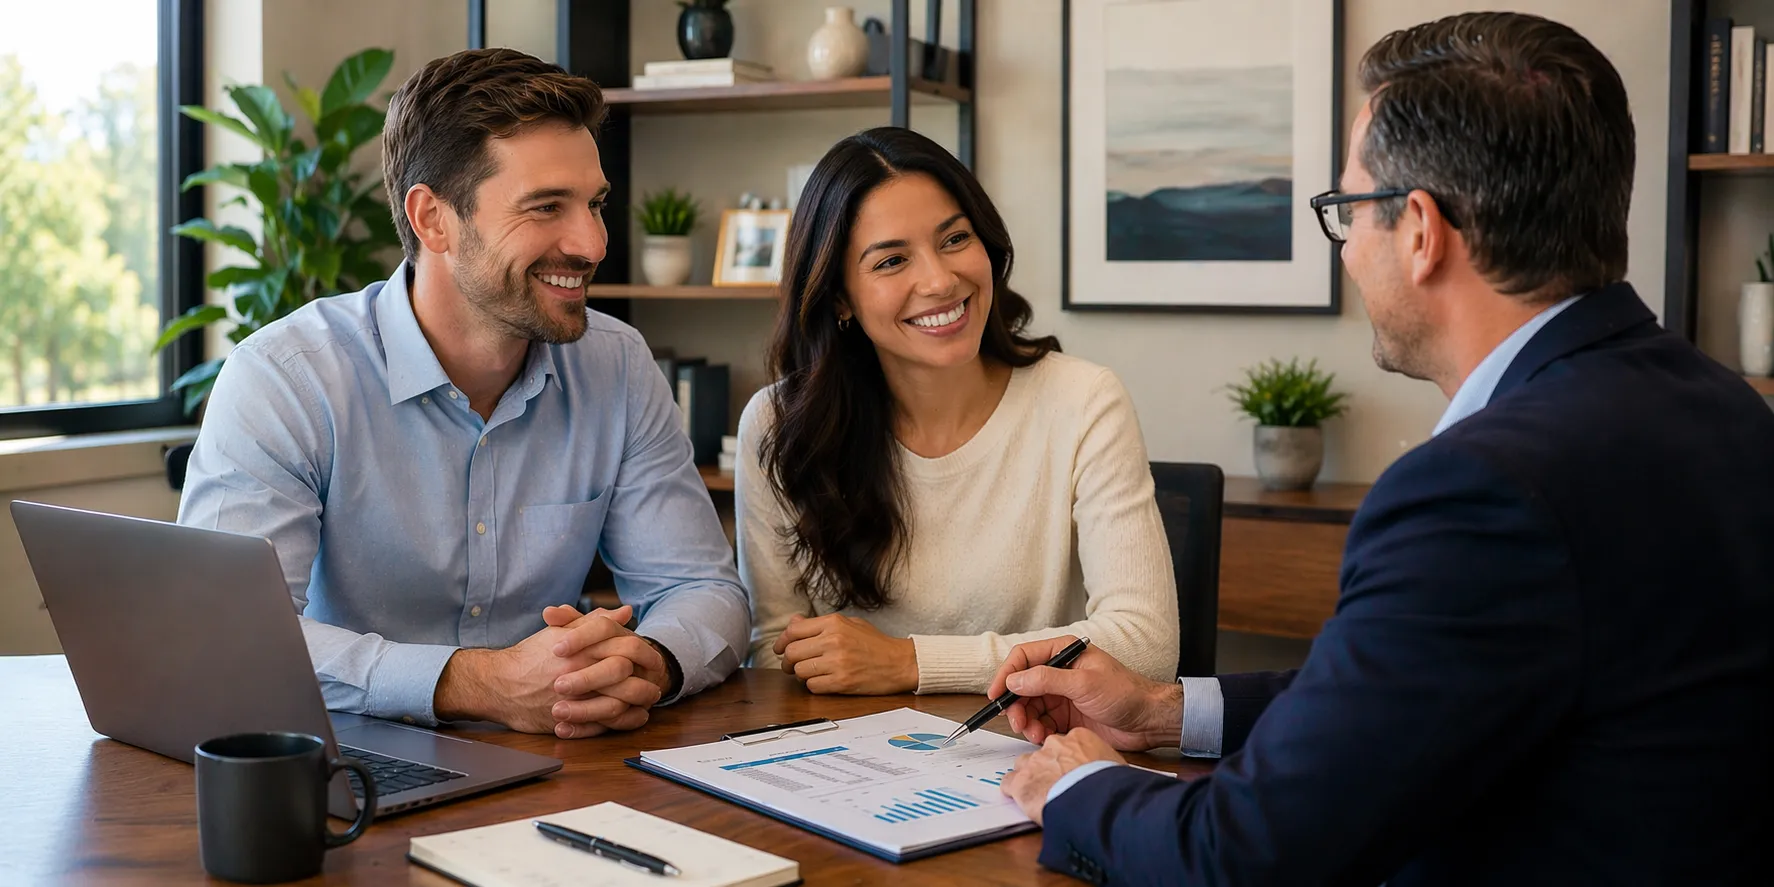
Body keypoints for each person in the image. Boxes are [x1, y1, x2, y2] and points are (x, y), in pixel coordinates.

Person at [987, 12, 1774, 885]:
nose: (1348, 249)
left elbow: (1246, 854)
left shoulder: (1481, 489)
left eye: (1346, 210)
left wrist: (1079, 785)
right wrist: (1164, 710)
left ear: (1422, 231)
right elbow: (1406, 696)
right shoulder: (1721, 406)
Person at [178, 48, 750, 740]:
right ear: (433, 219)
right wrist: (481, 683)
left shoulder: (618, 365)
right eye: (546, 207)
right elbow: (233, 640)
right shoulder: (288, 377)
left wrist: (648, 661)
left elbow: (704, 589)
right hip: (345, 759)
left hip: (558, 758)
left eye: (594, 204)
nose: (594, 243)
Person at [736, 126, 1179, 696]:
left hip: (1035, 752)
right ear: (840, 297)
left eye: (954, 239)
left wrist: (910, 663)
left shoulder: (1084, 402)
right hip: (847, 763)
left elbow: (1146, 647)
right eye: (892, 261)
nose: (941, 280)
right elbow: (776, 650)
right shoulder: (777, 427)